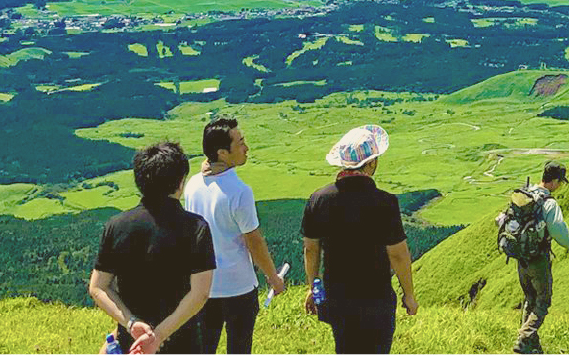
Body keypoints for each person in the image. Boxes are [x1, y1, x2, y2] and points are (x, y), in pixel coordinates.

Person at [89, 141, 217, 355]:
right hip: (182, 343)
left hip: (131, 344)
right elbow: (200, 294)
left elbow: (98, 287)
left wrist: (131, 322)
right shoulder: (196, 228)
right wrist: (159, 335)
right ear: (180, 182)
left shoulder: (116, 226)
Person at [300, 125, 418, 354]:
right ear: (371, 163)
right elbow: (398, 254)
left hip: (337, 298)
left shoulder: (319, 199)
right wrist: (409, 295)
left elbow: (311, 249)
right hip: (376, 299)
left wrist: (312, 287)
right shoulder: (385, 202)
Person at [182, 118, 288, 354]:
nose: (246, 148)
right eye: (240, 143)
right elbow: (254, 242)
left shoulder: (192, 185)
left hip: (203, 285)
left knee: (204, 348)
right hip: (238, 286)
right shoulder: (240, 192)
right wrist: (273, 277)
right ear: (222, 152)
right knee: (239, 348)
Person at [511, 161, 569, 355]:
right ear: (553, 181)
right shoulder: (549, 204)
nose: (560, 186)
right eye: (560, 182)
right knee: (543, 301)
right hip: (538, 259)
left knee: (530, 298)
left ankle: (531, 346)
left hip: (521, 257)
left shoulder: (526, 194)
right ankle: (524, 339)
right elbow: (564, 239)